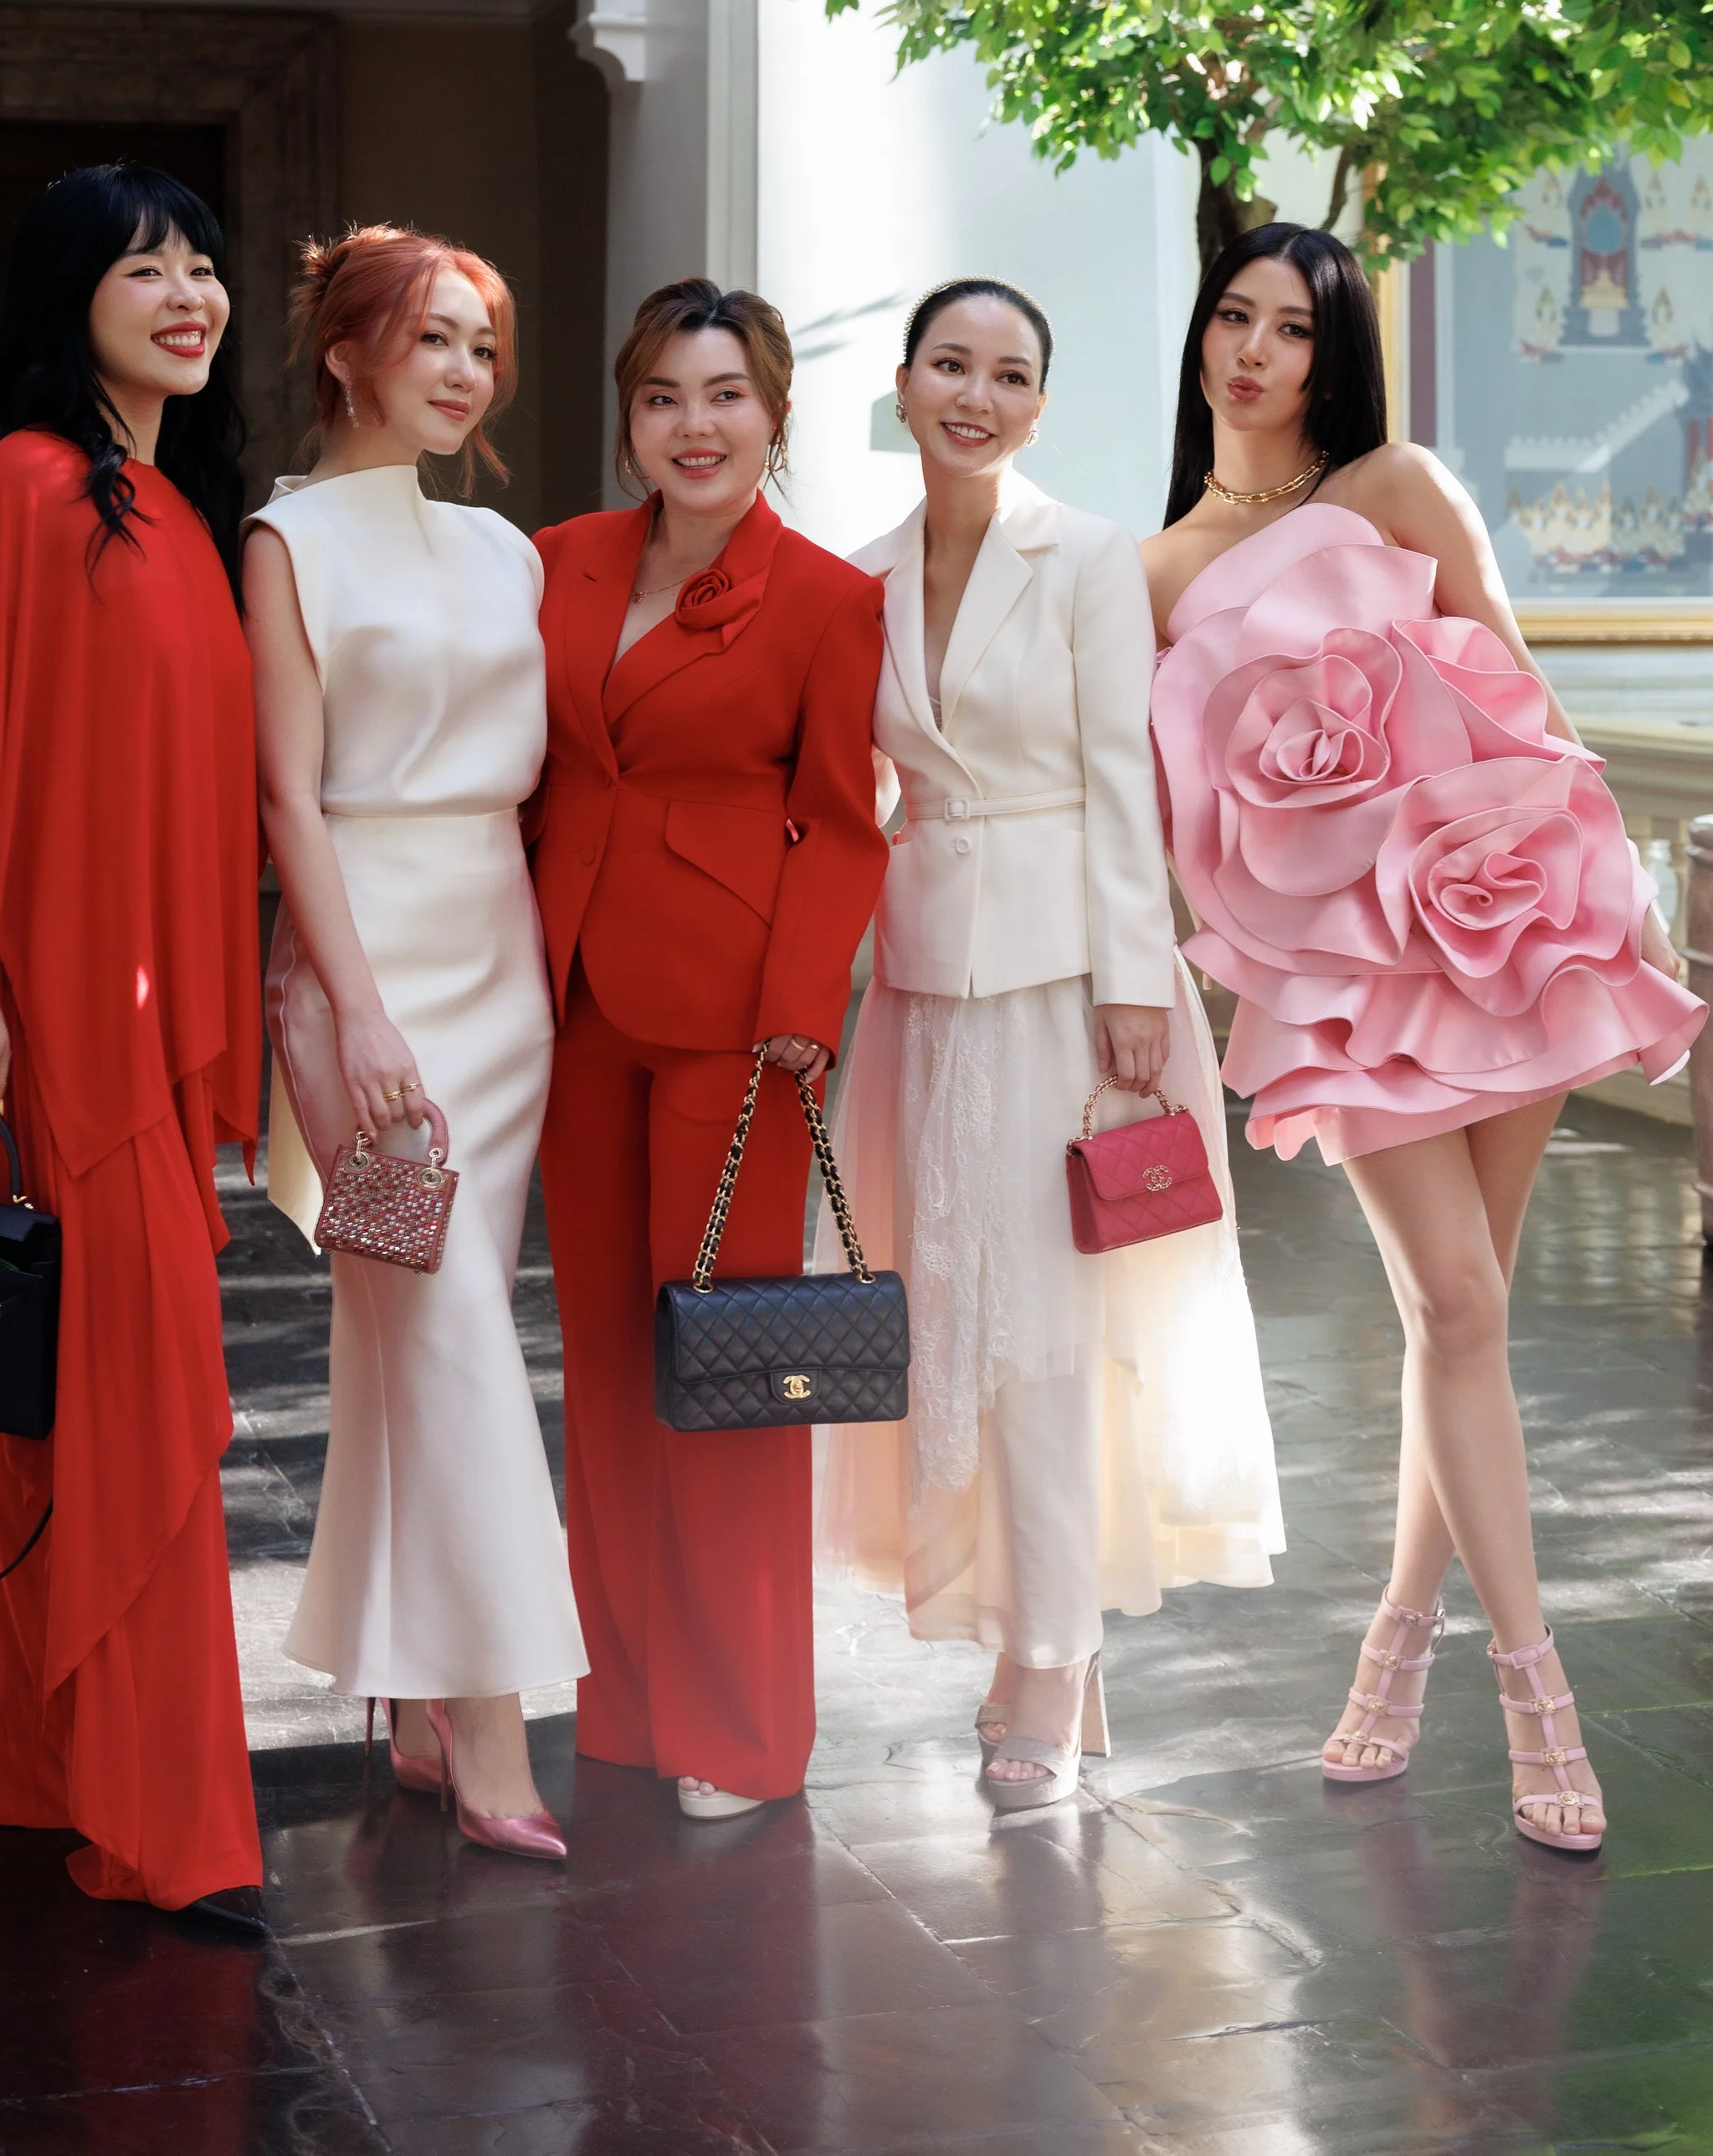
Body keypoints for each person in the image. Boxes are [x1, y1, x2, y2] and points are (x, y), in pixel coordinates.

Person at [1144, 224, 1704, 1855]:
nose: (1253, 352)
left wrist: (1629, 898)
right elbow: (1165, 806)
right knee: (1451, 1303)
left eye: (1290, 327)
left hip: (1502, 913)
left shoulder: (1392, 484)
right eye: (1232, 320)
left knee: (1457, 1327)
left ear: (1333, 353)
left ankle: (1393, 1643)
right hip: (1343, 974)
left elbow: (1526, 698)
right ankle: (1536, 1689)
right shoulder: (1156, 570)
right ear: (1199, 339)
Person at [817, 280, 1284, 1811]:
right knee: (952, 1310)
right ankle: (1028, 1639)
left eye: (1010, 373)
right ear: (901, 384)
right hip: (921, 985)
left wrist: (1137, 983)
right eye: (951, 364)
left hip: (1071, 984)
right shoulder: (857, 574)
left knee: (1052, 1326)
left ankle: (1051, 1656)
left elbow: (1116, 777)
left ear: (1039, 402)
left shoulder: (1082, 556)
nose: (978, 394)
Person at [0, 162, 265, 1930]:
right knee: (132, 1403)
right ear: (68, 300)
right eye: (143, 268)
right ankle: (165, 1824)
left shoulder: (173, 513)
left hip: (152, 1023)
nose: (187, 293)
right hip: (54, 1018)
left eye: (201, 265)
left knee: (57, 1397)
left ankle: (40, 1770)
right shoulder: (20, 494)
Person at [244, 225, 583, 1865]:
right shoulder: (287, 540)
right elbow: (282, 794)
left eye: (481, 347)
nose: (461, 373)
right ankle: (497, 1714)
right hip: (365, 960)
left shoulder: (504, 548)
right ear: (348, 353)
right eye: (433, 340)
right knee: (447, 1337)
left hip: (496, 959)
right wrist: (352, 1003)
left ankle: (407, 1703)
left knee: (414, 1339)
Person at [531, 280, 888, 1820]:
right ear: (630, 414)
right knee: (609, 1364)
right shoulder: (554, 564)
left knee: (732, 1372)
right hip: (568, 1000)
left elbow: (843, 816)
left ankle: (744, 1729)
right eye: (667, 395)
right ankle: (626, 1703)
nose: (696, 423)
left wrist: (805, 1001)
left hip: (739, 1020)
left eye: (725, 393)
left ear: (776, 414)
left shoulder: (822, 596)